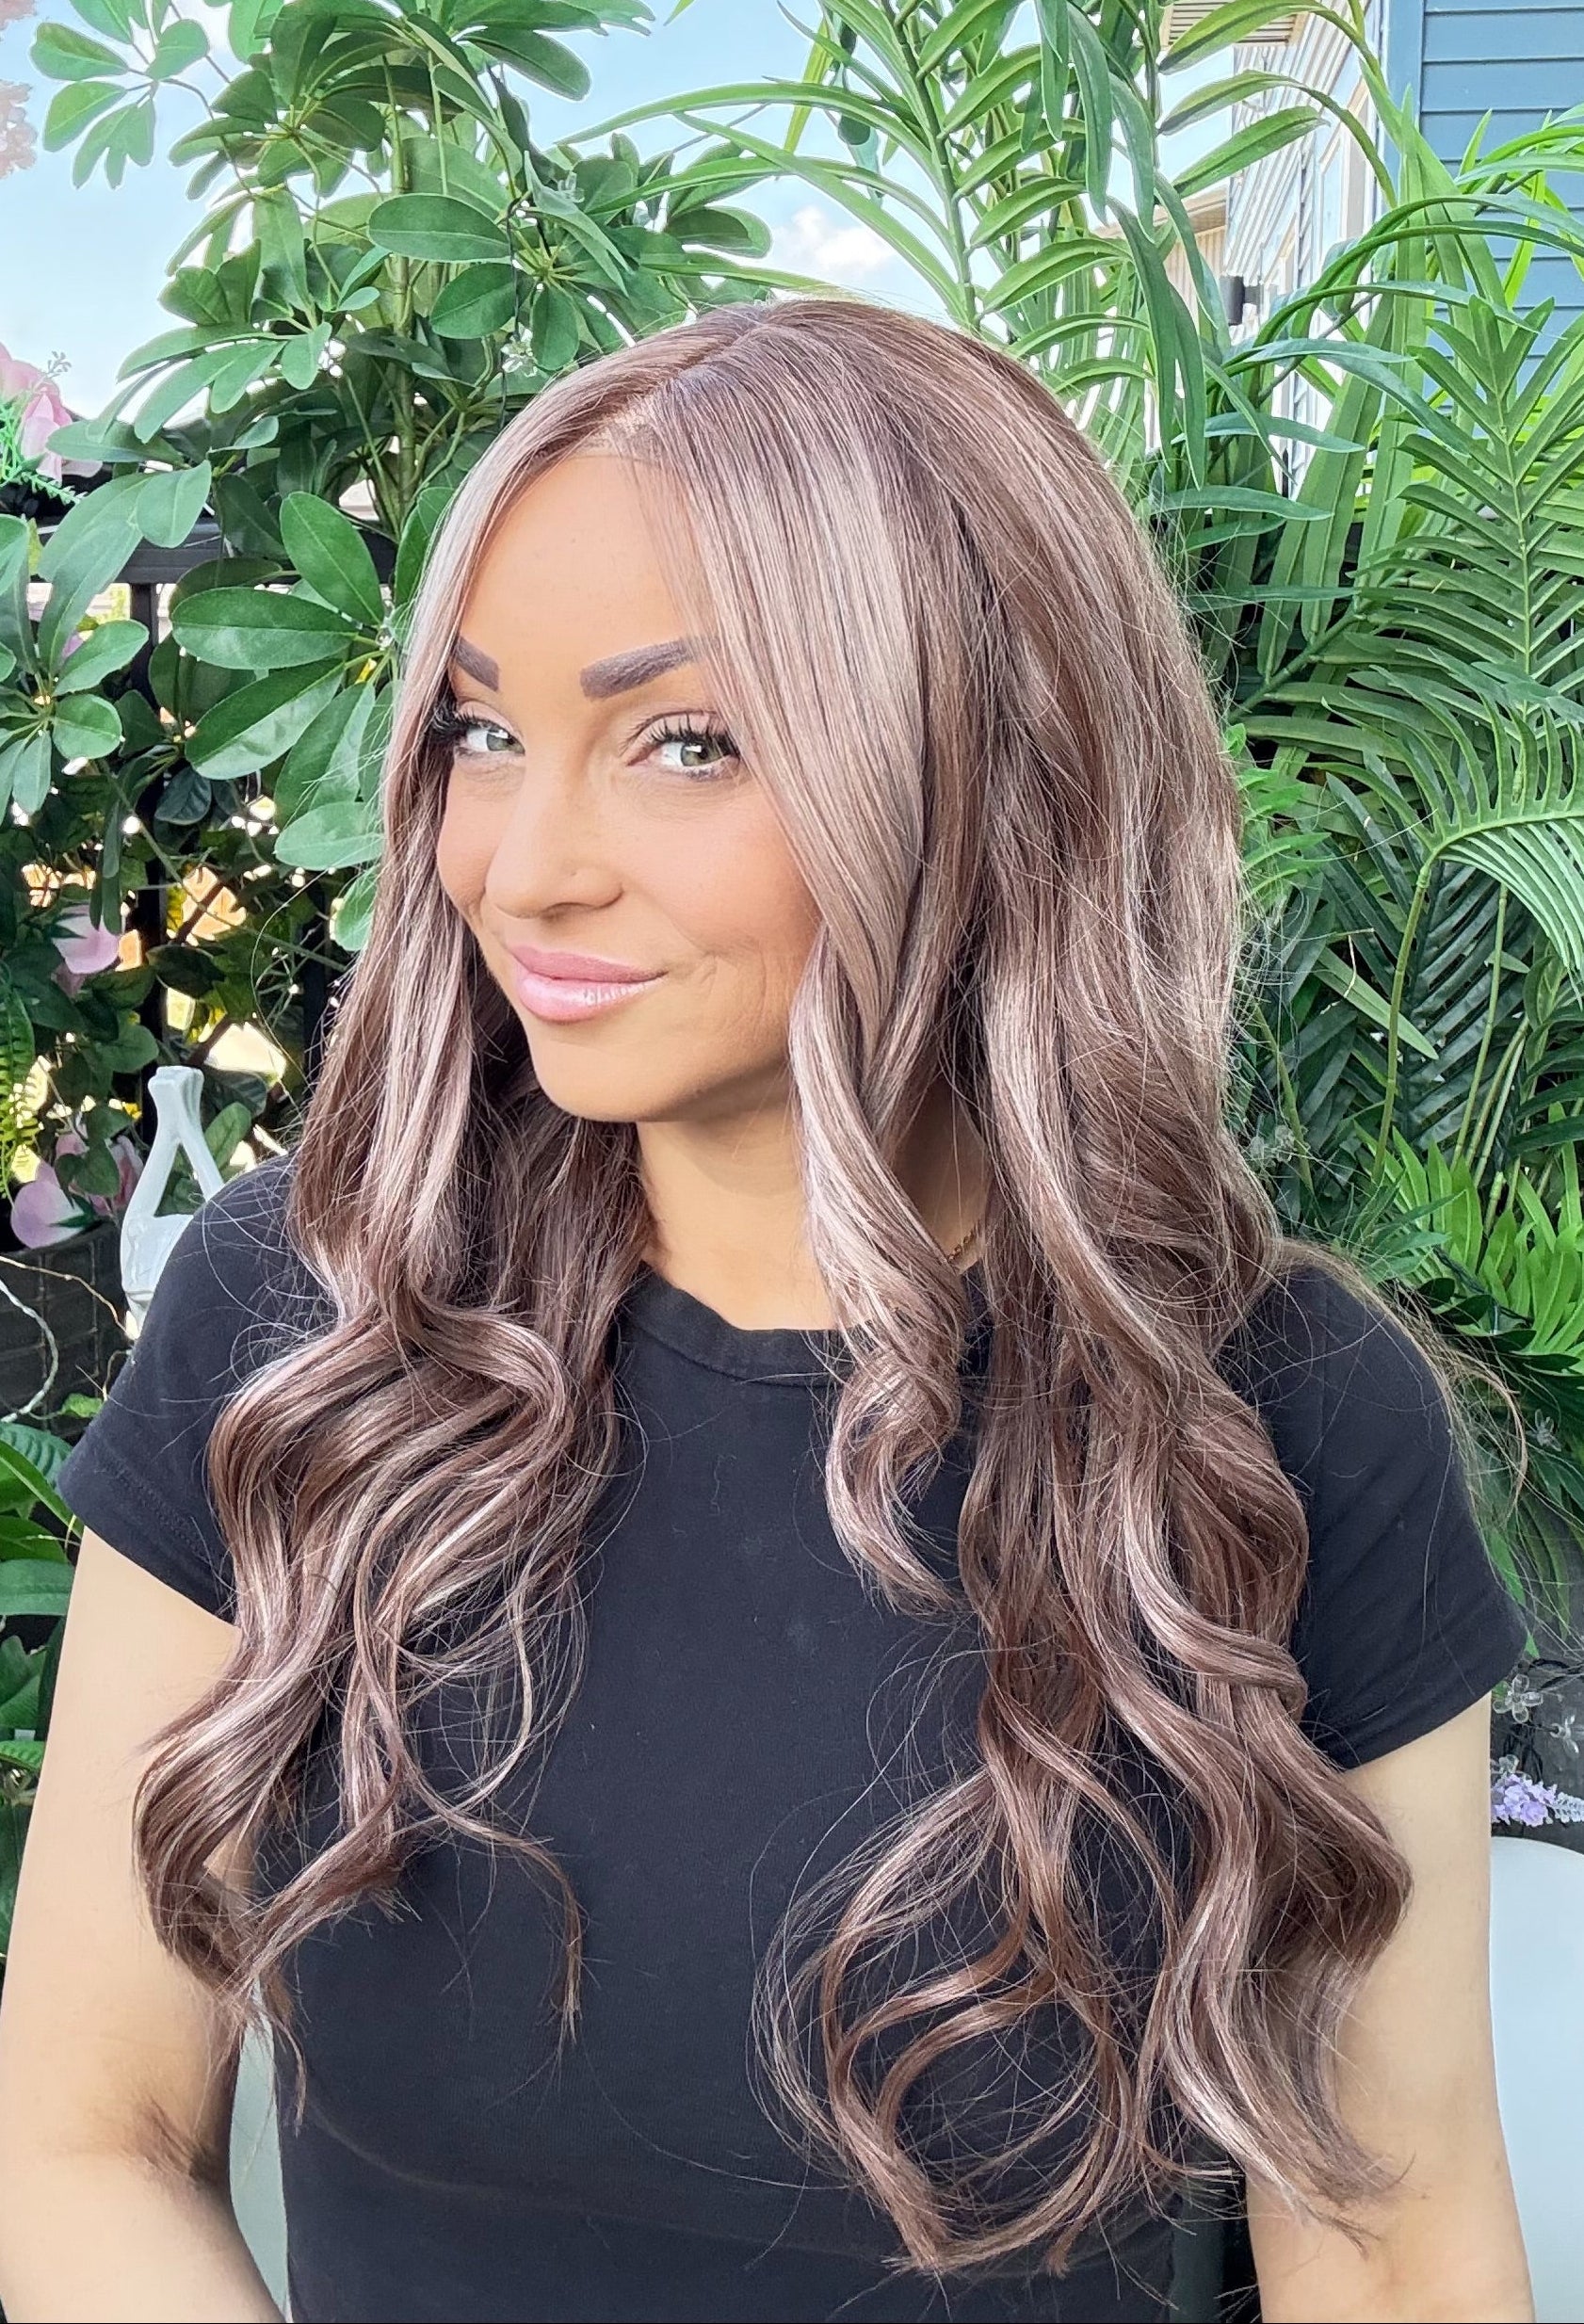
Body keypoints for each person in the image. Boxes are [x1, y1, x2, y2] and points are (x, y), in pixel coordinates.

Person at [0, 297, 1534, 2324]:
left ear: (990, 773)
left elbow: (1395, 2234)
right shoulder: (307, 1322)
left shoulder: (1285, 1421)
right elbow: (78, 2136)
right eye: (480, 728)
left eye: (686, 741)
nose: (523, 863)